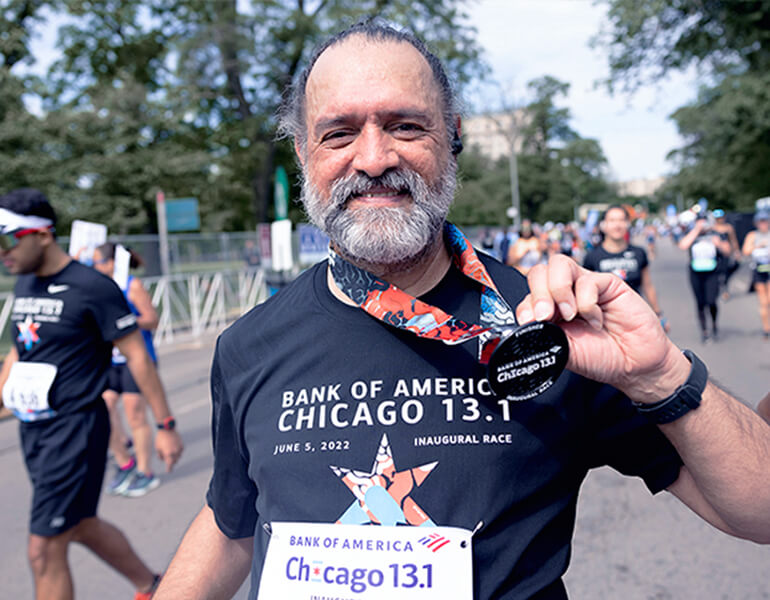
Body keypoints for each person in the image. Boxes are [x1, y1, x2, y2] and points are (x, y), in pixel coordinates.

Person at [154, 23, 770, 600]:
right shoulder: (247, 346)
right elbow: (232, 520)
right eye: (339, 132)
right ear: (303, 153)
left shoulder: (551, 326)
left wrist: (659, 375)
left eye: (404, 126)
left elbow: (758, 511)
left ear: (451, 136)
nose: (373, 159)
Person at [0, 189, 183, 600]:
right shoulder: (25, 284)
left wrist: (165, 425)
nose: (1, 253)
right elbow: (19, 350)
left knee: (43, 548)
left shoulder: (91, 287)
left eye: (6, 238)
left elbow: (137, 356)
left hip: (75, 429)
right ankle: (151, 587)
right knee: (78, 524)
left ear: (43, 235)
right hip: (35, 430)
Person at [93, 242, 163, 497]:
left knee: (135, 413)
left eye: (97, 262)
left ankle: (145, 472)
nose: (94, 268)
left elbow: (152, 320)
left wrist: (123, 323)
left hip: (137, 359)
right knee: (104, 408)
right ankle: (125, 463)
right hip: (110, 361)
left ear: (111, 263)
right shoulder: (98, 289)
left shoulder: (132, 285)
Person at [583, 205, 667, 330]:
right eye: (612, 220)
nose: (617, 225)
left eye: (622, 220)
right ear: (603, 225)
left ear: (628, 224)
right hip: (606, 324)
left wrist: (658, 314)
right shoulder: (592, 257)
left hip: (636, 318)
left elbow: (648, 286)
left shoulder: (639, 253)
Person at [678, 214, 731, 342]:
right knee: (700, 302)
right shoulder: (692, 234)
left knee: (711, 301)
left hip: (712, 272)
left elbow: (728, 251)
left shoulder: (716, 234)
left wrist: (718, 244)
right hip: (696, 272)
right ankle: (704, 331)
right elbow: (683, 245)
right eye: (699, 222)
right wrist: (696, 231)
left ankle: (714, 324)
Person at [741, 210, 770, 340]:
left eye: (765, 221)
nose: (763, 224)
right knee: (763, 302)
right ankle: (766, 329)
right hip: (759, 270)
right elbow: (746, 251)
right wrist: (758, 246)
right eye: (761, 221)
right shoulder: (753, 235)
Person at [711, 209, 741, 300]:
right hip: (715, 254)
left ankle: (725, 290)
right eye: (717, 218)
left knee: (726, 272)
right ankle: (715, 289)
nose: (719, 220)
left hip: (726, 253)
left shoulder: (728, 228)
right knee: (716, 273)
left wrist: (736, 251)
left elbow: (733, 240)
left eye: (721, 218)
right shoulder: (711, 228)